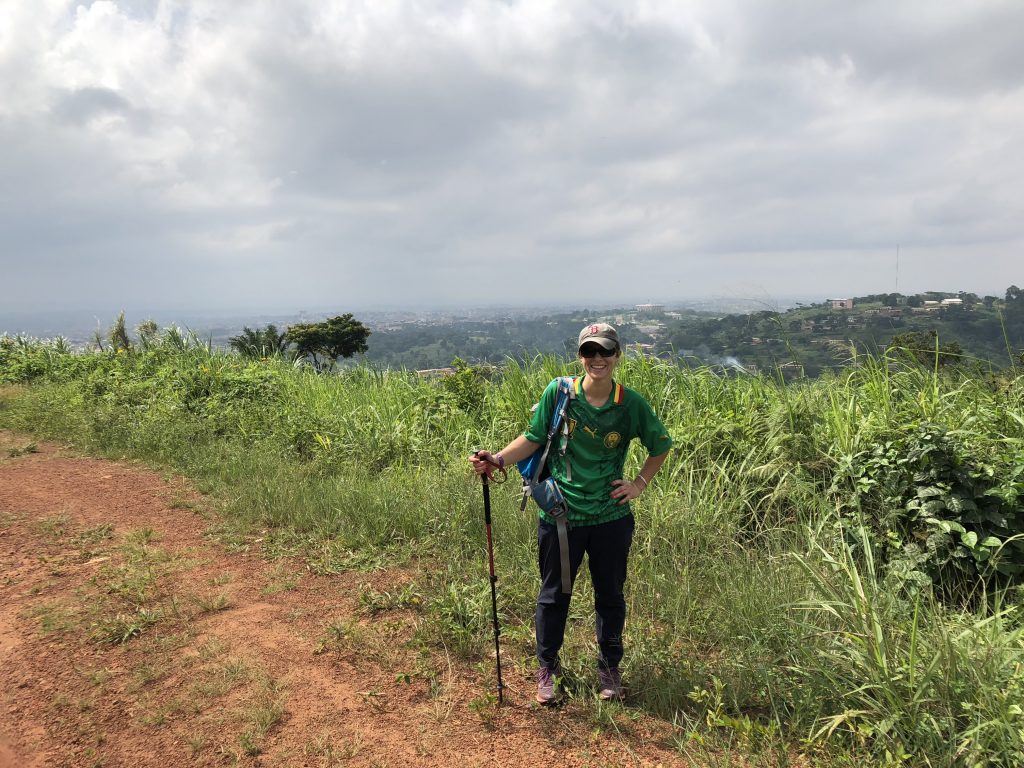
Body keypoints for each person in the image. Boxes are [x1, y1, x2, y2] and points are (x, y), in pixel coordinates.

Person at [470, 322, 672, 704]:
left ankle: (609, 668)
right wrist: (496, 460)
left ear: (617, 355)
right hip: (561, 514)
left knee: (610, 595)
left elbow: (660, 444)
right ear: (581, 356)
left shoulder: (630, 403)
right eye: (590, 351)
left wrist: (639, 485)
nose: (597, 359)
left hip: (611, 517)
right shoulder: (559, 393)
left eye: (605, 351)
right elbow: (532, 438)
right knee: (553, 595)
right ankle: (547, 667)